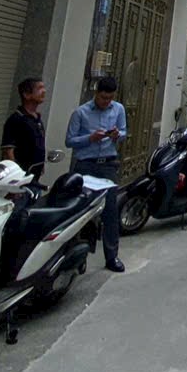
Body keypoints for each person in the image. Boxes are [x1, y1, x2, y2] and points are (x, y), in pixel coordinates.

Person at [65, 75, 127, 272]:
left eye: (109, 98)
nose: (106, 102)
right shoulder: (81, 113)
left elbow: (124, 132)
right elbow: (70, 141)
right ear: (96, 93)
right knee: (82, 211)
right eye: (103, 98)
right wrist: (90, 138)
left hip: (108, 165)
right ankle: (79, 256)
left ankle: (112, 256)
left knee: (110, 211)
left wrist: (117, 135)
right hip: (86, 165)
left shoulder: (118, 109)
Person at [0, 77, 47, 184]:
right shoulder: (16, 119)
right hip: (20, 178)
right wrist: (15, 176)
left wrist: (41, 164)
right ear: (26, 94)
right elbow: (8, 151)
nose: (44, 91)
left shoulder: (36, 118)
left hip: (35, 177)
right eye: (39, 88)